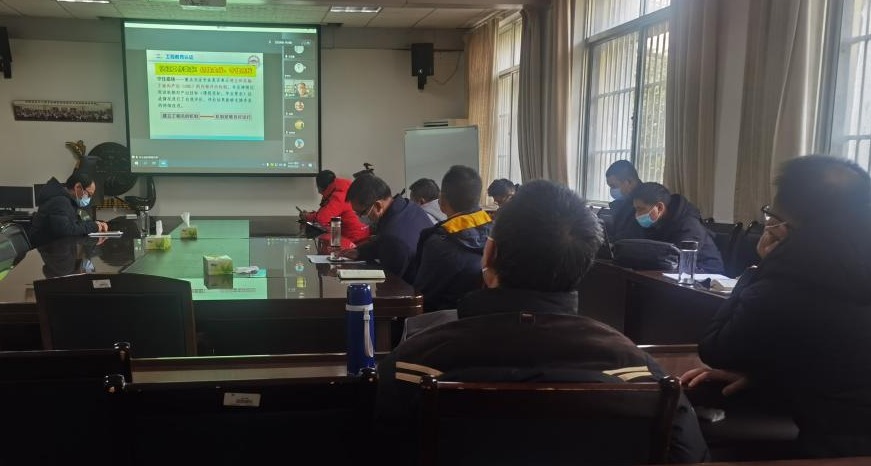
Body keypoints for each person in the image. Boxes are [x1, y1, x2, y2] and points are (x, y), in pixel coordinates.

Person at [375, 179, 710, 464]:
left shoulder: (411, 367)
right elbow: (690, 456)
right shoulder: (642, 376)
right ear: (584, 268)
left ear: (489, 255)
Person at [682, 155, 871, 459]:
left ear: (790, 222)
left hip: (835, 446)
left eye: (772, 214)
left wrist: (759, 270)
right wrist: (766, 376)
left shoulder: (794, 273)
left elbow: (716, 348)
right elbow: (834, 355)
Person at [414, 166, 492, 311]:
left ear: (442, 199)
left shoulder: (439, 243)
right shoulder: (498, 231)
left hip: (449, 319)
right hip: (489, 316)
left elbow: (423, 296)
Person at [341, 173, 432, 285]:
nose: (360, 217)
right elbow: (381, 243)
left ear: (378, 206)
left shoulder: (393, 236)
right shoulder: (408, 206)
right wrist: (359, 252)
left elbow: (389, 284)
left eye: (362, 213)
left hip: (413, 289)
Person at [631, 182, 725, 273]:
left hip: (706, 274)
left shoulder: (689, 225)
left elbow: (677, 260)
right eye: (636, 209)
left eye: (641, 209)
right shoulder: (655, 223)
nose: (637, 215)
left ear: (659, 208)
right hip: (670, 273)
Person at [29, 171, 108, 248]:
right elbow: (65, 230)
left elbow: (86, 220)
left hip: (59, 247)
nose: (89, 198)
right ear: (77, 187)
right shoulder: (60, 201)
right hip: (48, 249)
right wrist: (94, 226)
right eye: (89, 194)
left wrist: (97, 223)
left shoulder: (72, 203)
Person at [299, 170, 370, 247]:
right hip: (360, 234)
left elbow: (322, 219)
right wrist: (311, 215)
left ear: (320, 187)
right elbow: (328, 213)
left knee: (325, 244)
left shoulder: (338, 196)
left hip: (354, 239)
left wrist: (307, 216)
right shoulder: (343, 189)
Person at [604, 159, 645, 241]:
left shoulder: (646, 202)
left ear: (629, 182)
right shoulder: (625, 201)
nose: (612, 190)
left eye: (614, 186)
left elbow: (632, 235)